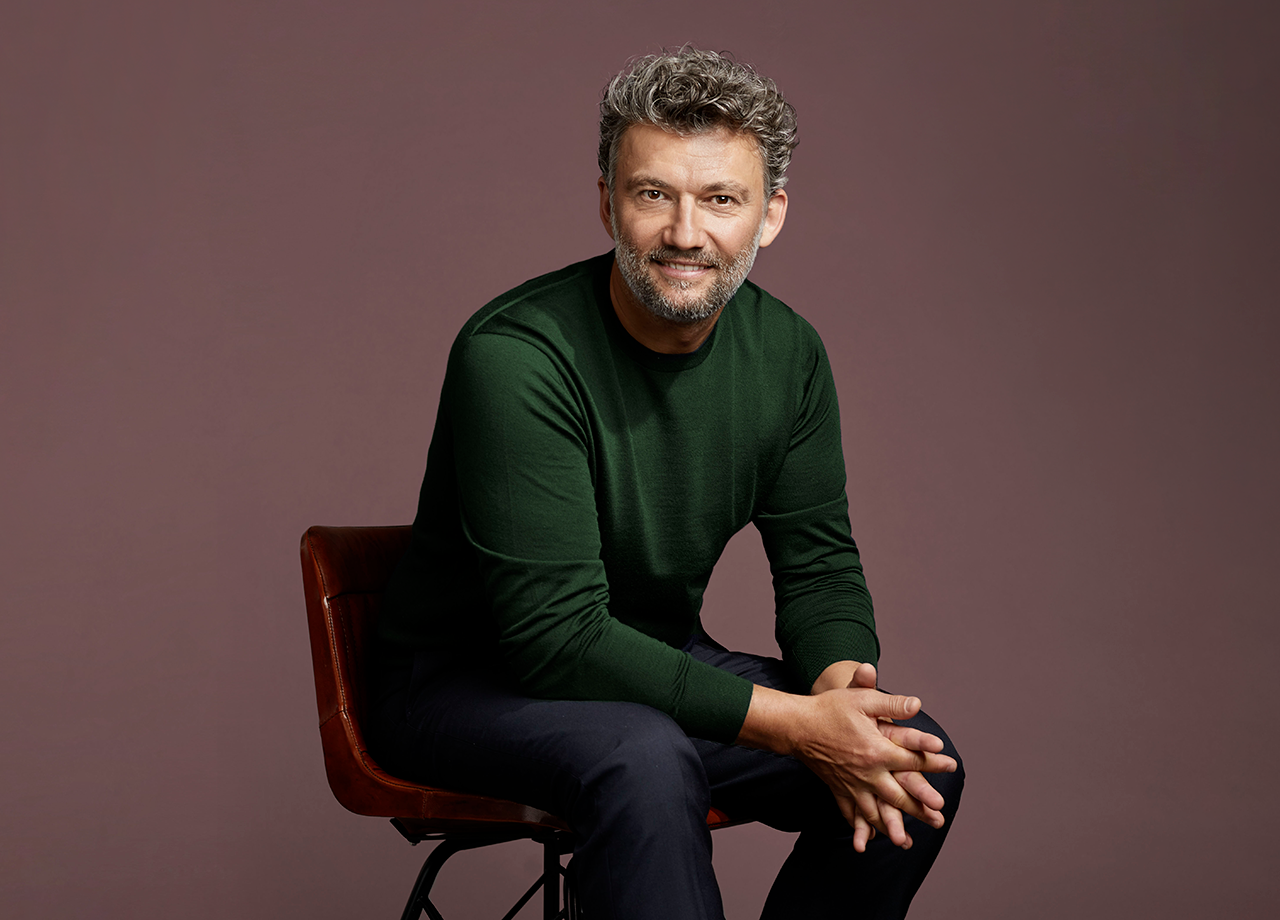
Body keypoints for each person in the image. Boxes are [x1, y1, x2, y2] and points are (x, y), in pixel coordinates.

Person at [370, 47, 963, 919]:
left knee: (913, 760)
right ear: (607, 200)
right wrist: (798, 726)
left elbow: (819, 568)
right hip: (462, 686)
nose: (687, 234)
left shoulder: (788, 354)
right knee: (642, 756)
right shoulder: (516, 357)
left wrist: (840, 698)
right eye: (655, 194)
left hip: (649, 663)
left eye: (721, 199)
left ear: (772, 215)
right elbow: (554, 640)